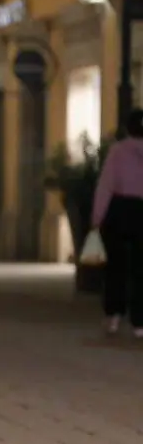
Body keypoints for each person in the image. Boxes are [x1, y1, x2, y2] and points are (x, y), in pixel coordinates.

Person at [93, 108, 143, 338]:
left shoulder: (117, 151)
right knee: (141, 268)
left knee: (116, 265)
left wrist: (97, 217)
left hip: (119, 210)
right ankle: (139, 322)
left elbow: (106, 185)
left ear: (127, 128)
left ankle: (114, 314)